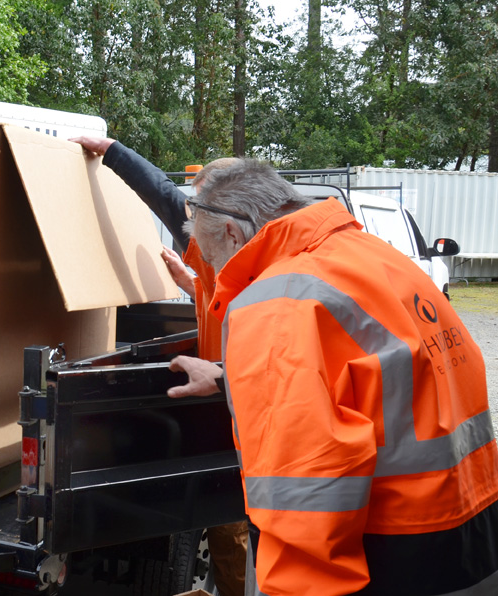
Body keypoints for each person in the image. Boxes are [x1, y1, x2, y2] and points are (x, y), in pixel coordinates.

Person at [169, 160, 498, 595]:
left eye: (211, 260)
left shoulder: (276, 304)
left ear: (233, 232)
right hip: (471, 534)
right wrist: (232, 376)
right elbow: (374, 376)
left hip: (390, 553)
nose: (216, 275)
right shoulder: (374, 257)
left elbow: (303, 501)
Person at [71, 136, 248, 596]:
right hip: (222, 401)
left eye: (200, 206)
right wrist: (111, 149)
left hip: (246, 405)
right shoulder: (213, 244)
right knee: (223, 513)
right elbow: (164, 196)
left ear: (229, 215)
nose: (190, 217)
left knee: (235, 520)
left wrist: (228, 378)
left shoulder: (261, 263)